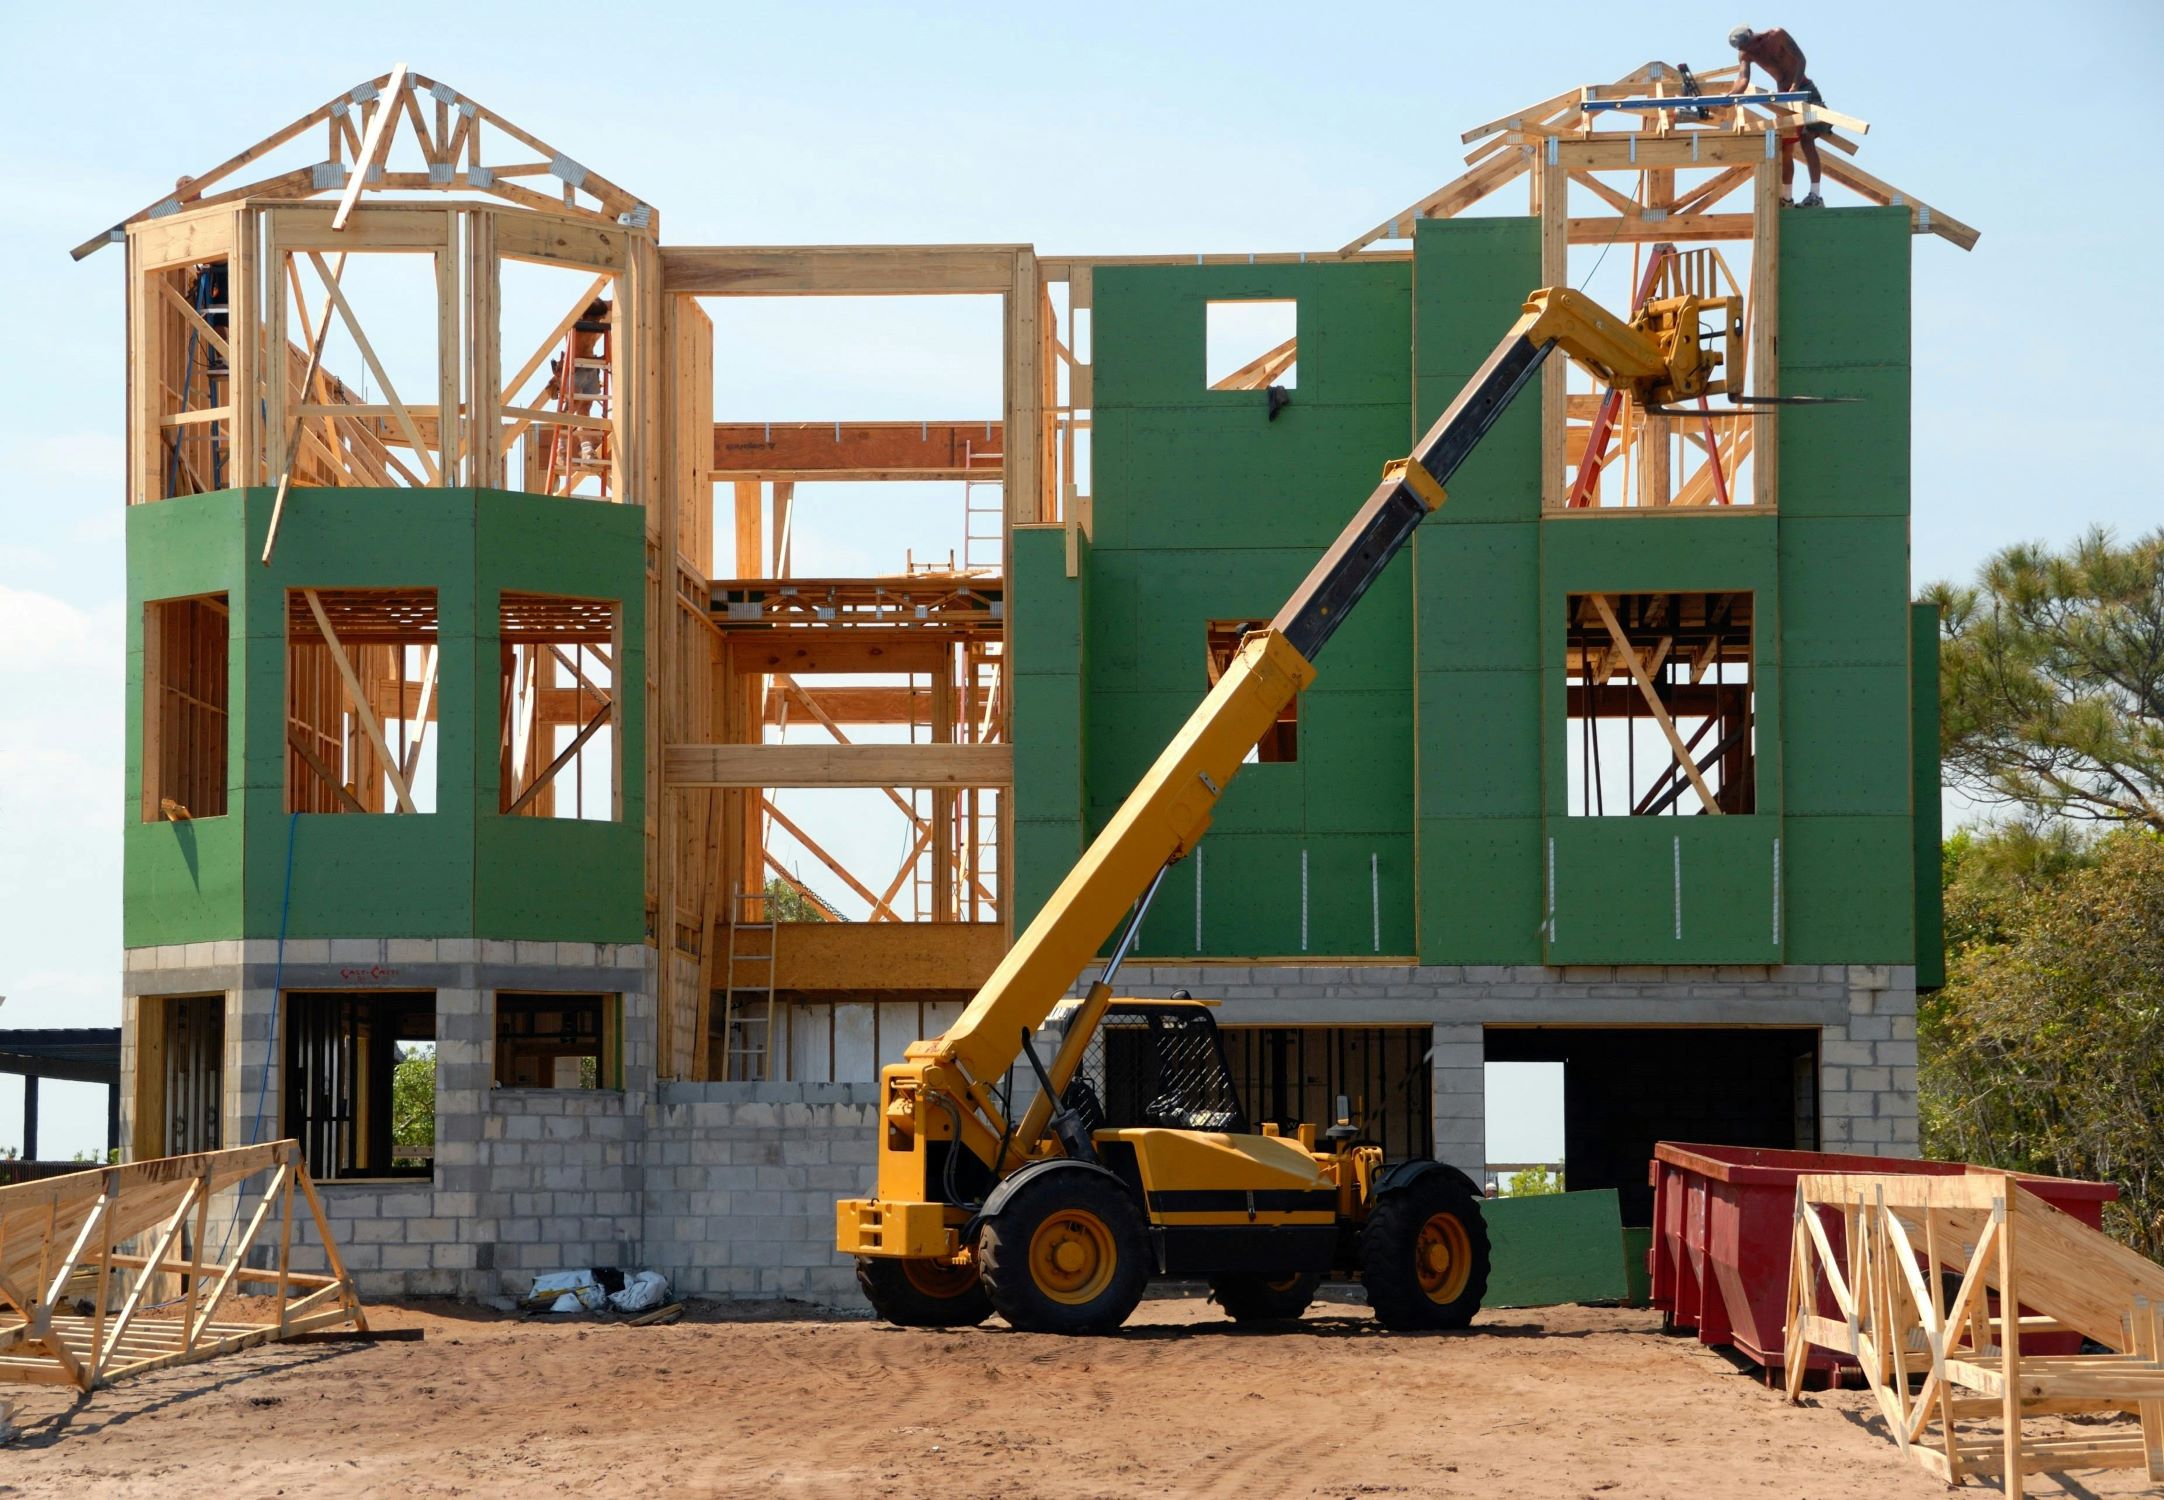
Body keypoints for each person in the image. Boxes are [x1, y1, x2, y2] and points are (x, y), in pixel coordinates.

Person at [1728, 25, 1831, 206]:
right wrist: (1730, 97)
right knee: (1784, 146)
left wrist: (1795, 86)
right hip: (1784, 95)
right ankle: (1787, 197)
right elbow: (1743, 79)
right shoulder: (1746, 53)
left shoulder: (1777, 35)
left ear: (1754, 38)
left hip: (1804, 89)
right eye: (1745, 49)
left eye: (1750, 46)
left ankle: (1815, 195)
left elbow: (1800, 59)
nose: (1749, 51)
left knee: (1807, 139)